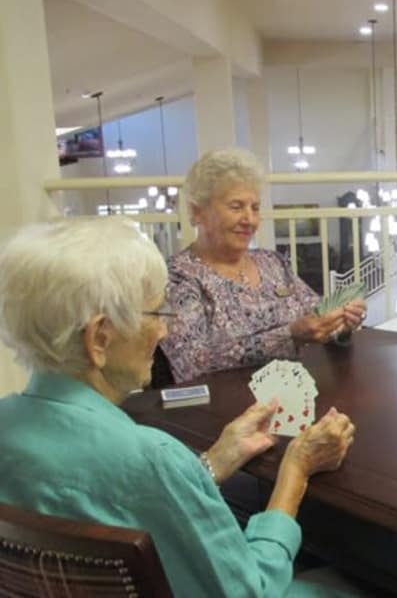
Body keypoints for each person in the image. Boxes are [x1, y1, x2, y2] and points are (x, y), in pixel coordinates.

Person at [0, 218, 359, 596]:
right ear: (100, 338)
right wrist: (296, 472)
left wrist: (213, 462)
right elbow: (253, 590)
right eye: (155, 315)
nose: (165, 332)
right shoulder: (152, 457)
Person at [161, 148, 366, 383]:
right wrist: (288, 336)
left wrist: (342, 321)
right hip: (227, 412)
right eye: (236, 207)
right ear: (198, 213)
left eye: (255, 208)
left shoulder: (273, 263)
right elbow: (192, 362)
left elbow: (316, 315)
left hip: (294, 397)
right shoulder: (178, 276)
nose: (249, 220)